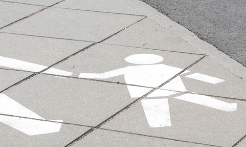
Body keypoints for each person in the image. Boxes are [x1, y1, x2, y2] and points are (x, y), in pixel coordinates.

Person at [79, 54, 236, 128]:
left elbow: (102, 76)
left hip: (150, 96)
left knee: (159, 121)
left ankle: (161, 127)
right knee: (196, 98)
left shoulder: (127, 68)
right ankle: (227, 106)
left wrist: (76, 75)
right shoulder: (163, 67)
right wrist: (214, 80)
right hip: (173, 90)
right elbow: (190, 74)